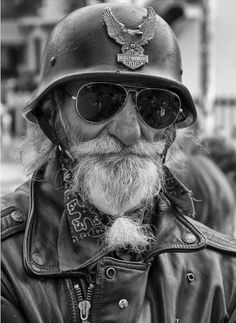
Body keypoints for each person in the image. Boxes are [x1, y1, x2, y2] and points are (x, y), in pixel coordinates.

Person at [1, 3, 236, 323]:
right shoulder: (6, 262)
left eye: (155, 106)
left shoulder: (223, 276)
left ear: (168, 130)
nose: (129, 131)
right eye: (99, 99)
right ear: (54, 116)